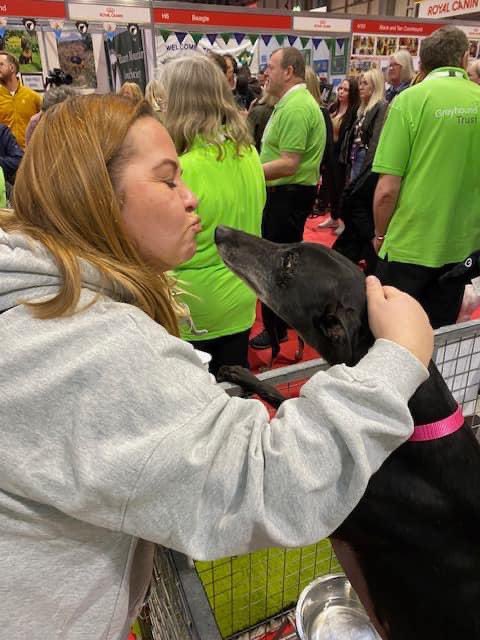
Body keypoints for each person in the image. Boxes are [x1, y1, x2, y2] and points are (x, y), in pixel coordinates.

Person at [0, 93, 433, 639]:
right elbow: (266, 484)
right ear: (96, 196)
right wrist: (396, 360)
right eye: (167, 179)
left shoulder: (39, 306)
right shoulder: (81, 344)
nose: (191, 197)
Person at [159, 55, 265, 376]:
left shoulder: (181, 169)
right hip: (243, 292)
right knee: (237, 388)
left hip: (194, 305)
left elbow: (163, 247)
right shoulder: (248, 153)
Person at [372, 26, 480, 328]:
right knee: (438, 336)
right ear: (464, 57)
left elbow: (387, 189)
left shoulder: (409, 101)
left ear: (422, 63)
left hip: (409, 245)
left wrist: (380, 234)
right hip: (461, 249)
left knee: (392, 336)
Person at [250, 48, 325, 350]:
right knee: (279, 264)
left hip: (286, 196)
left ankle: (277, 328)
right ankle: (278, 324)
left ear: (289, 71)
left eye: (270, 67)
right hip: (285, 195)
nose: (266, 73)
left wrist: (248, 172)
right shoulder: (291, 104)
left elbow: (288, 163)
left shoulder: (296, 108)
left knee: (275, 266)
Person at [332, 69, 387, 275]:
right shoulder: (362, 109)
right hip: (355, 159)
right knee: (351, 201)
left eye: (365, 83)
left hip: (365, 162)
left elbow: (375, 141)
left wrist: (368, 170)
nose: (361, 86)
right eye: (360, 83)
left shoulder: (380, 107)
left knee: (357, 202)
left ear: (374, 86)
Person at [318, 76, 360, 232]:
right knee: (330, 186)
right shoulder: (333, 108)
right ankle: (334, 216)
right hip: (330, 153)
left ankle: (342, 219)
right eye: (340, 88)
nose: (341, 92)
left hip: (343, 156)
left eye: (346, 89)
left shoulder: (354, 112)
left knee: (342, 188)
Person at [0, 51, 42, 148]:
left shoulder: (33, 96)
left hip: (29, 154)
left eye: (1, 64)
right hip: (6, 158)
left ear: (12, 68)